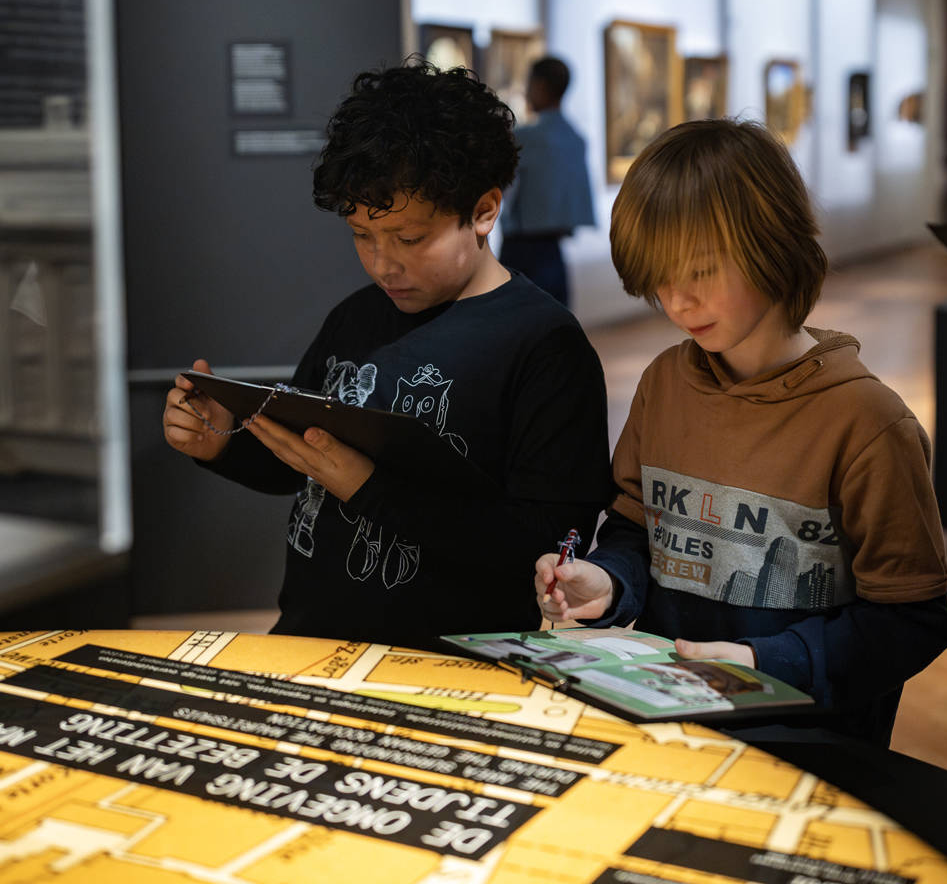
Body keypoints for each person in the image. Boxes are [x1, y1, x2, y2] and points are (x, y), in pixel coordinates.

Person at [163, 60, 611, 652]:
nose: (382, 264)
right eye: (361, 235)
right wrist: (221, 441)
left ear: (483, 211)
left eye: (408, 238)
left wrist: (368, 487)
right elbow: (301, 459)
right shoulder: (355, 316)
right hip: (307, 637)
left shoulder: (545, 347)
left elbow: (541, 544)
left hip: (450, 664)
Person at [535, 118, 947, 745]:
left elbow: (912, 620)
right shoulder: (664, 385)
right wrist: (607, 582)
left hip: (808, 747)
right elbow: (636, 529)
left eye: (700, 272)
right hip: (670, 724)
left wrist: (763, 663)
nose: (676, 302)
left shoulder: (868, 423)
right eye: (658, 279)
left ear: (772, 244)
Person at [499, 56, 594, 306]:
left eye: (529, 83)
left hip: (522, 250)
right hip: (554, 251)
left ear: (540, 86)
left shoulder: (525, 138)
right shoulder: (575, 139)